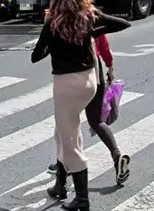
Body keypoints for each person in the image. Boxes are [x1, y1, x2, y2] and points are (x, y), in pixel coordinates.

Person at [32, 0, 131, 211]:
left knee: (69, 141)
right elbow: (123, 24)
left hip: (66, 86)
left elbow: (36, 56)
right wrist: (94, 28)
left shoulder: (53, 23)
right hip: (89, 82)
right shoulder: (89, 18)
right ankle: (60, 185)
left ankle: (82, 199)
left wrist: (50, 36)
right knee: (63, 132)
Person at [47, 30, 131, 185]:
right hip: (96, 70)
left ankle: (66, 164)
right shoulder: (92, 19)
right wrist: (110, 68)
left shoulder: (62, 20)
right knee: (96, 121)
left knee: (66, 121)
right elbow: (104, 46)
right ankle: (117, 155)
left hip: (75, 70)